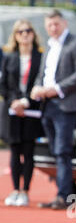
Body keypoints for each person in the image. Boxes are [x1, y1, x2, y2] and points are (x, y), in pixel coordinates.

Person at [31, 9, 76, 209]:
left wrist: (55, 89)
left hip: (66, 106)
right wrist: (37, 88)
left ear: (64, 23)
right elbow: (43, 73)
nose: (53, 28)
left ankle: (64, 196)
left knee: (63, 151)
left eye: (56, 24)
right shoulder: (49, 46)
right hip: (47, 106)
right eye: (49, 25)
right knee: (55, 152)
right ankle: (68, 192)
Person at [1, 20, 44, 207]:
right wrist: (13, 102)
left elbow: (41, 81)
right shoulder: (9, 57)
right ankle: (15, 190)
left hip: (31, 110)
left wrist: (26, 101)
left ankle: (25, 191)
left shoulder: (40, 57)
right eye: (20, 32)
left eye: (28, 31)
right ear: (15, 36)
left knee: (28, 151)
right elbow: (3, 85)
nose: (24, 34)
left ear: (33, 34)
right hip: (11, 111)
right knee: (14, 151)